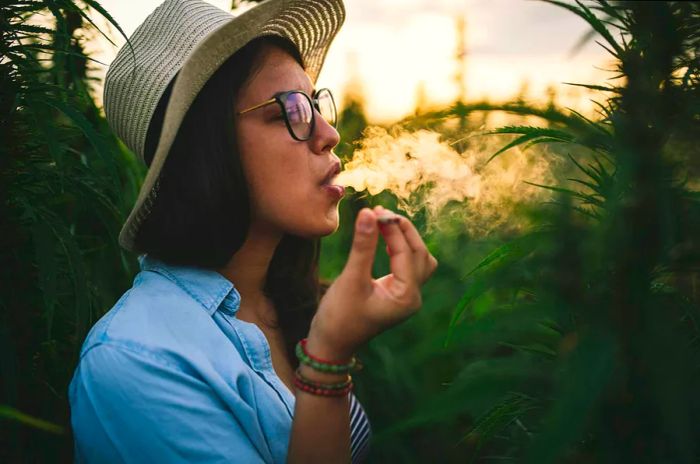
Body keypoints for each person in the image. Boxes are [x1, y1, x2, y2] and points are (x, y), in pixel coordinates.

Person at [68, 0, 438, 462]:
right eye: (291, 111)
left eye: (317, 104)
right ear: (207, 148)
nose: (329, 135)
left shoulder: (283, 302)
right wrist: (326, 362)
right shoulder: (136, 361)